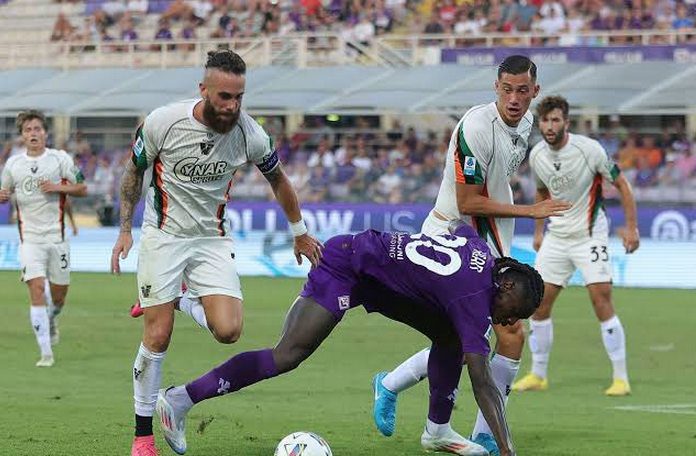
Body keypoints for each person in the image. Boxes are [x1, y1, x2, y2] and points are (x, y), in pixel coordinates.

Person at [155, 222, 544, 456]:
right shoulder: (473, 301)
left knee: (449, 336)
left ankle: (437, 431)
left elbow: (460, 230)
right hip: (347, 265)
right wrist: (507, 450)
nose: (510, 318)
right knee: (288, 355)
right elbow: (483, 384)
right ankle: (180, 398)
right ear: (506, 282)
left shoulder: (480, 254)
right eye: (515, 308)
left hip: (381, 280)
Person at [110, 50, 323, 456]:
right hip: (164, 235)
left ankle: (172, 299)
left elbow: (279, 180)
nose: (232, 106)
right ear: (203, 90)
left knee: (228, 331)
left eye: (239, 97)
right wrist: (125, 230)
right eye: (224, 96)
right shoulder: (163, 122)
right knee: (157, 335)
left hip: (212, 239)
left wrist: (299, 232)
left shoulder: (250, 133)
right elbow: (133, 170)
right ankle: (142, 437)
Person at [371, 55, 571, 453]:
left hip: (492, 238)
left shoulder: (527, 123)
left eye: (522, 91)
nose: (515, 99)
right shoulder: (476, 127)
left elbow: (496, 182)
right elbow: (468, 201)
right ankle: (392, 386)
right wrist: (531, 211)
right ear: (496, 87)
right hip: (451, 232)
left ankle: (483, 432)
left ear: (535, 91)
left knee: (510, 332)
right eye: (507, 90)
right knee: (463, 342)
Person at [511, 95, 639, 396]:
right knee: (537, 303)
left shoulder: (589, 149)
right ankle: (538, 375)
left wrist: (631, 227)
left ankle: (620, 377)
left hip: (590, 234)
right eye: (545, 120)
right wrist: (539, 231)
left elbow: (621, 184)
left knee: (601, 300)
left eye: (556, 120)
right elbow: (542, 193)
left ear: (566, 122)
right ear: (539, 123)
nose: (550, 125)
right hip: (557, 237)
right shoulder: (538, 155)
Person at [0, 110, 87, 367]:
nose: (33, 133)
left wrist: (58, 187)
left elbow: (82, 187)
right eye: (28, 130)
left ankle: (52, 317)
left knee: (58, 297)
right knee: (37, 289)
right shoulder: (13, 165)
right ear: (22, 136)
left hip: (57, 240)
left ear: (45, 133)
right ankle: (46, 353)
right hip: (30, 240)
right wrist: (3, 196)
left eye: (37, 129)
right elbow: (3, 190)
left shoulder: (60, 159)